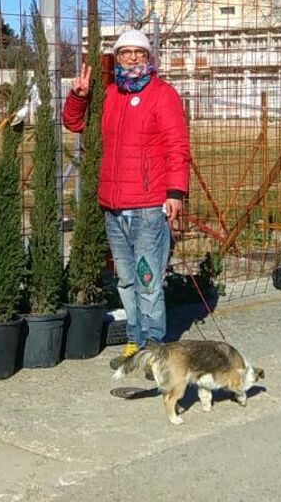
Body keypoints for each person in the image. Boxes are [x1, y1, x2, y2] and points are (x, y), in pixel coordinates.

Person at [62, 28, 191, 368]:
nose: (132, 58)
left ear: (149, 57)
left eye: (139, 52)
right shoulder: (109, 95)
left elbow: (177, 146)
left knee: (148, 282)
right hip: (113, 207)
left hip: (149, 207)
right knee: (126, 280)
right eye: (125, 52)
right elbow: (73, 123)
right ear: (116, 58)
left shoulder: (163, 94)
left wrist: (175, 192)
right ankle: (134, 340)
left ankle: (154, 348)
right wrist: (79, 96)